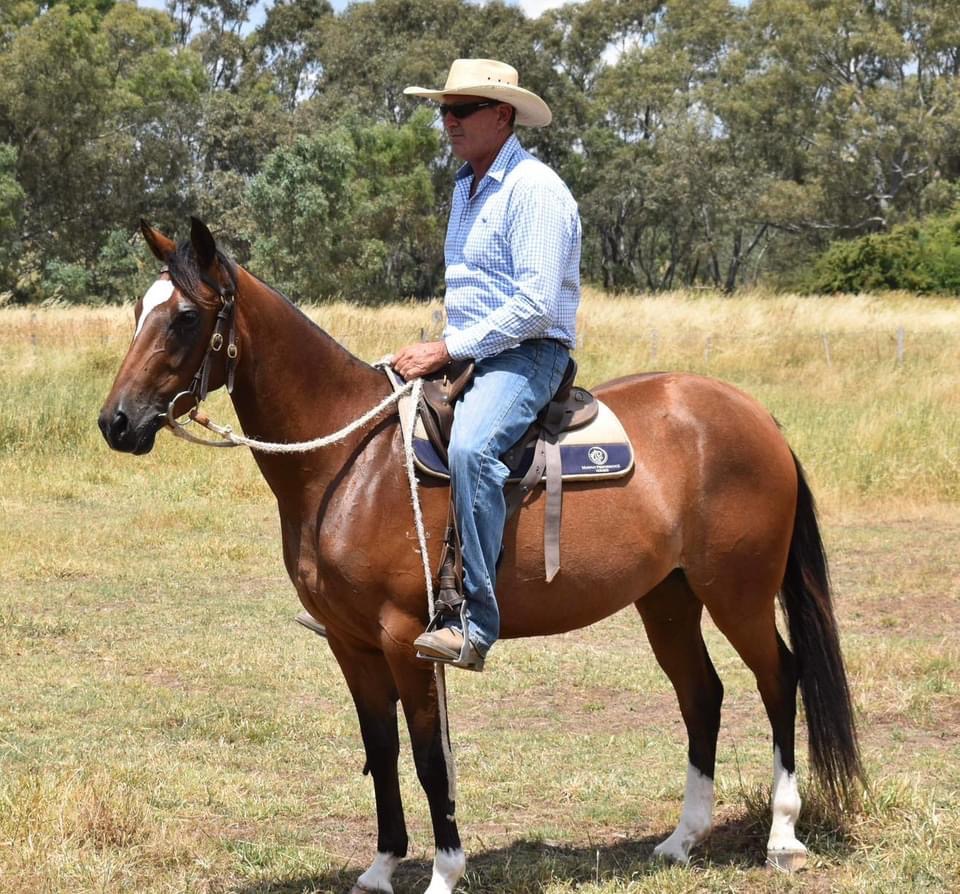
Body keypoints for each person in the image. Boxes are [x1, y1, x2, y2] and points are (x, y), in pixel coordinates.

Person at [392, 58, 581, 671]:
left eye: (461, 110)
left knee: (472, 449)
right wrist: (448, 347)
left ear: (502, 116)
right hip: (472, 349)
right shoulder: (465, 187)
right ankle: (373, 591)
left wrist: (446, 350)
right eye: (443, 110)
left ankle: (473, 622)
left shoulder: (534, 189)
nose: (447, 121)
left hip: (529, 352)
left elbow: (534, 305)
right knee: (379, 419)